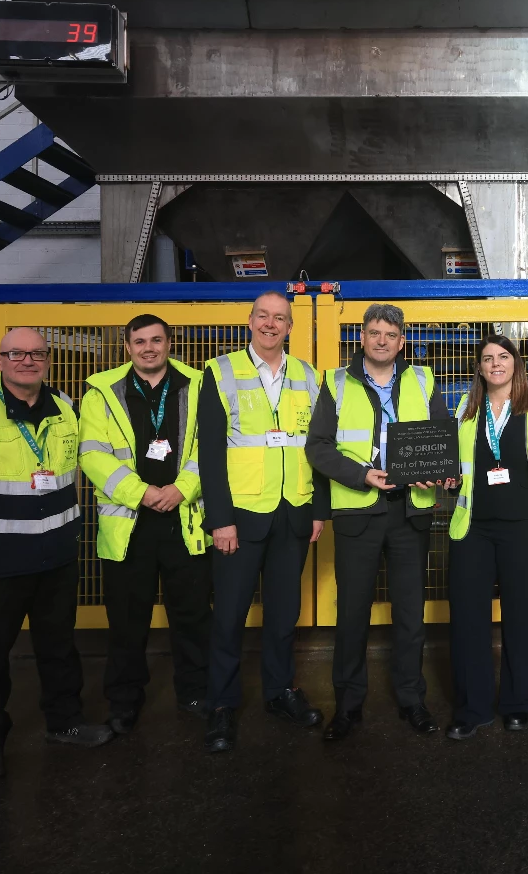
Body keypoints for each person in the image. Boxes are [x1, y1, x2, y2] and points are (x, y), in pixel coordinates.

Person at [0, 327, 113, 784]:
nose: (28, 361)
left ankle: (65, 723)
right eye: (17, 354)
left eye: (37, 354)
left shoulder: (66, 406)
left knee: (59, 647)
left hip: (58, 553)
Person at [305, 303, 450, 740]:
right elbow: (318, 447)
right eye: (374, 332)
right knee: (352, 614)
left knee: (410, 614)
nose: (382, 340)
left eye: (390, 333)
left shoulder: (422, 380)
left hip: (410, 511)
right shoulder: (337, 382)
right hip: (359, 511)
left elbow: (442, 437)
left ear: (401, 340)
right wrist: (361, 474)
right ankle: (347, 706)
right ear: (362, 338)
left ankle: (412, 699)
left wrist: (443, 468)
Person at [79, 314, 220, 743]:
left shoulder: (198, 384)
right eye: (139, 341)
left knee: (193, 614)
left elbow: (210, 443)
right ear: (127, 346)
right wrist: (141, 493)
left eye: (156, 340)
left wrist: (182, 488)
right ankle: (124, 702)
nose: (148, 348)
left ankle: (194, 693)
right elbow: (92, 453)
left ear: (169, 343)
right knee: (126, 619)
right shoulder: (100, 390)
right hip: (130, 522)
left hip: (184, 517)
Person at [202, 291, 328, 752]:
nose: (271, 324)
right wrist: (220, 520)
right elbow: (209, 453)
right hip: (240, 516)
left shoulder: (307, 375)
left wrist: (318, 510)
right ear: (249, 321)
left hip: (293, 512)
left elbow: (318, 447)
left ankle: (280, 692)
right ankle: (221, 705)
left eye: (280, 318)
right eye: (263, 316)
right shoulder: (220, 372)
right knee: (230, 615)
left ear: (290, 327)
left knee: (282, 615)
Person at [443, 335, 528, 739]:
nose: (495, 364)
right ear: (478, 368)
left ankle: (516, 703)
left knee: (520, 620)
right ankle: (473, 707)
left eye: (503, 357)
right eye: (487, 359)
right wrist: (448, 481)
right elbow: (456, 467)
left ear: (515, 363)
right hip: (473, 529)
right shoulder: (465, 408)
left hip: (523, 532)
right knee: (468, 621)